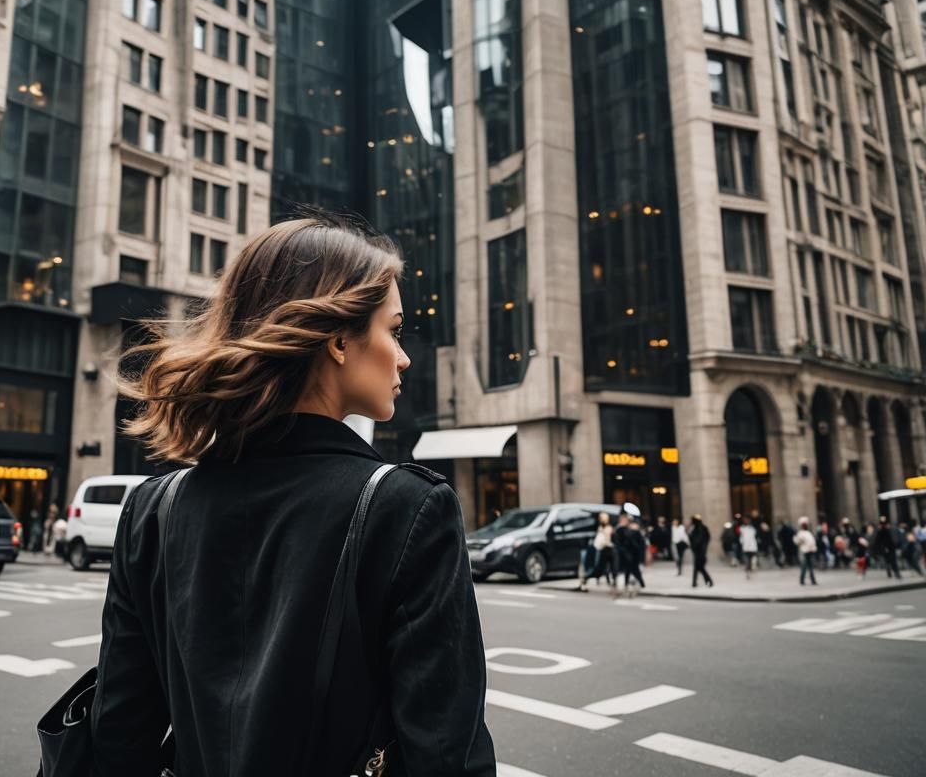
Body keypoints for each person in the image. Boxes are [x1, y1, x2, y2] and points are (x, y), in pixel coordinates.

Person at [88, 215, 496, 774]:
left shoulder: (151, 510)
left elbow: (116, 738)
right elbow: (447, 757)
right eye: (394, 330)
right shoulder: (408, 509)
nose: (403, 357)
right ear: (338, 341)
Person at [579, 512, 615, 592]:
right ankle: (587, 579)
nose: (601, 520)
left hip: (605, 549)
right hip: (597, 549)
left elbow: (607, 539)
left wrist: (603, 532)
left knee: (605, 566)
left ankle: (610, 581)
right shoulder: (599, 527)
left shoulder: (608, 528)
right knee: (592, 564)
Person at [614, 513, 646, 597]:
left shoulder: (632, 530)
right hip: (625, 554)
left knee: (633, 570)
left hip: (633, 554)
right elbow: (618, 541)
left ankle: (638, 584)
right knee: (628, 570)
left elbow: (639, 543)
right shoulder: (621, 530)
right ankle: (628, 585)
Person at [688, 515, 713, 588]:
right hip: (699, 551)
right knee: (698, 567)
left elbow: (699, 540)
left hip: (699, 551)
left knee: (699, 567)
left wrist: (696, 547)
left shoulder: (699, 528)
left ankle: (707, 581)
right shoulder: (695, 528)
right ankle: (697, 582)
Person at [796, 518, 818, 586]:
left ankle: (812, 580)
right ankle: (802, 580)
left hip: (810, 551)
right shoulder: (800, 533)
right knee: (804, 567)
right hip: (804, 551)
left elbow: (812, 542)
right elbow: (798, 542)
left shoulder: (808, 533)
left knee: (810, 566)